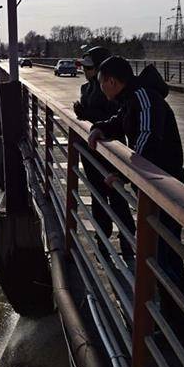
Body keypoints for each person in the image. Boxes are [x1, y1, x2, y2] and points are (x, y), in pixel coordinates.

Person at [87, 56, 184, 344]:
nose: (101, 89)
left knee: (165, 256)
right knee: (158, 254)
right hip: (154, 189)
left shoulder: (144, 97)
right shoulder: (131, 99)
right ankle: (174, 322)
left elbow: (148, 137)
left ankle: (182, 327)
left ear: (112, 81)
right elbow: (121, 122)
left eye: (102, 83)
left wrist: (125, 173)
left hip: (167, 189)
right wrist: (100, 127)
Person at [72, 47, 135, 264]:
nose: (86, 71)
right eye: (84, 67)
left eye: (89, 67)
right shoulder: (86, 88)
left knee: (117, 197)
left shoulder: (112, 90)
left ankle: (128, 241)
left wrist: (87, 114)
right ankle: (103, 239)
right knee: (97, 197)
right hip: (92, 152)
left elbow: (116, 117)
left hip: (111, 151)